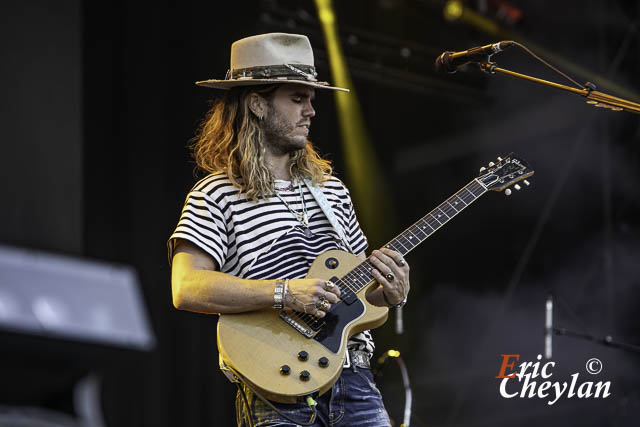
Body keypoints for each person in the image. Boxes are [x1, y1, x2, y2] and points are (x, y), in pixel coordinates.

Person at [168, 33, 410, 427]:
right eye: (297, 99)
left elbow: (363, 296)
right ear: (258, 104)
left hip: (355, 380)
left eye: (311, 99)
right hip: (274, 386)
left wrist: (390, 292)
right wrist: (285, 292)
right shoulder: (216, 192)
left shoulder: (332, 191)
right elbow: (186, 287)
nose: (311, 111)